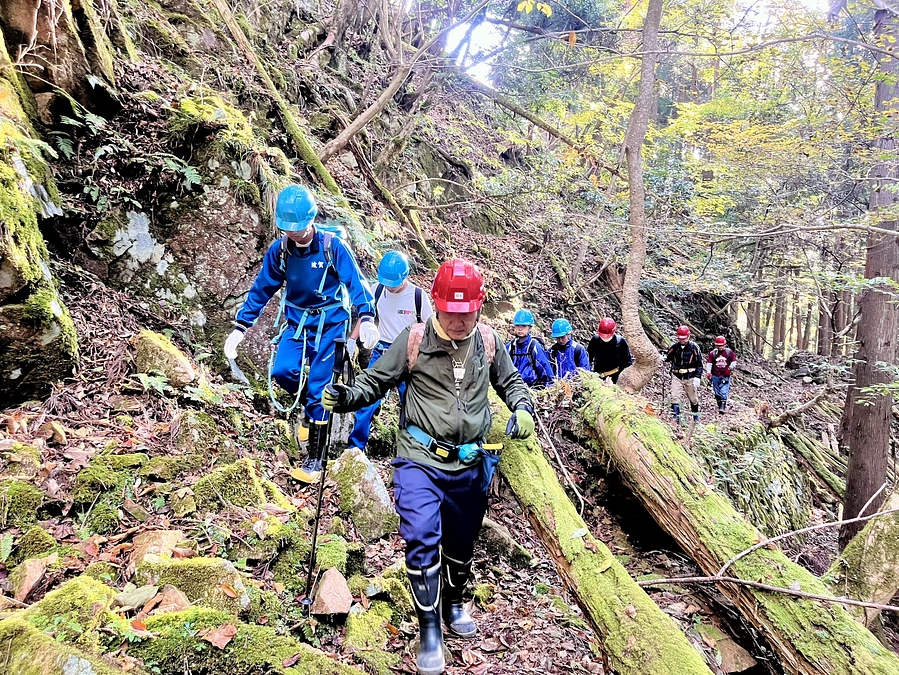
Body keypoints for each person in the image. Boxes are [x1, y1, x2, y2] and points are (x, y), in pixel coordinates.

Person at [322, 258, 534, 675]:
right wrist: (346, 396)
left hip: (472, 461)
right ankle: (430, 629)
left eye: (467, 313)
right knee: (421, 537)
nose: (459, 321)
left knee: (461, 544)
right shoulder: (414, 339)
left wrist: (522, 407)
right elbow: (375, 381)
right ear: (436, 305)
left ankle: (455, 601)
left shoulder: (488, 342)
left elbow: (511, 382)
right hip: (420, 459)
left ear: (480, 307)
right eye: (451, 313)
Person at [223, 184, 379, 483]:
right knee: (283, 371)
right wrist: (241, 326)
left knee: (322, 388)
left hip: (331, 324)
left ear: (311, 219)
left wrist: (367, 317)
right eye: (287, 228)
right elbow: (261, 289)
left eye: (298, 227)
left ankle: (315, 461)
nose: (293, 233)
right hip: (296, 324)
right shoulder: (280, 251)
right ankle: (311, 407)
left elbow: (357, 283)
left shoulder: (333, 247)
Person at [346, 250, 433, 452]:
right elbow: (365, 315)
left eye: (393, 283)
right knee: (366, 399)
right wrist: (352, 339)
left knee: (410, 405)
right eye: (387, 283)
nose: (390, 287)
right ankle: (355, 448)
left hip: (408, 355)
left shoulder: (418, 297)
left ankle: (409, 451)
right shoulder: (377, 290)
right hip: (381, 353)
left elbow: (430, 329)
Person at [664, 326, 703, 428]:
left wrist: (698, 377)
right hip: (677, 375)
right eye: (680, 338)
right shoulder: (674, 347)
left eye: (684, 338)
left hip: (690, 376)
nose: (682, 340)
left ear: (688, 336)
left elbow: (699, 364)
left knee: (693, 399)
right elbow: (667, 357)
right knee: (675, 396)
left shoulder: (694, 348)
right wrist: (662, 357)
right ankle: (675, 419)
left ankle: (696, 418)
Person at [505, 309, 554, 388]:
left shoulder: (535, 347)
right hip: (513, 387)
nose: (520, 329)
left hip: (532, 388)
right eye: (517, 326)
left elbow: (546, 372)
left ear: (529, 328)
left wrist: (549, 388)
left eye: (524, 326)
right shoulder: (510, 347)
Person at [587, 318, 633, 384]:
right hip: (598, 375)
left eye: (607, 336)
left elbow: (627, 363)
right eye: (603, 336)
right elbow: (588, 358)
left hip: (616, 377)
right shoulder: (595, 340)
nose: (605, 338)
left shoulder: (620, 342)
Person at [705, 335, 737, 414]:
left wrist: (730, 368)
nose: (720, 347)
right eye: (718, 346)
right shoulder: (713, 353)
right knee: (717, 392)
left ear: (725, 345)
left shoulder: (729, 352)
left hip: (725, 375)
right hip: (715, 375)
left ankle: (722, 407)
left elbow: (734, 361)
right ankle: (719, 404)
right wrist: (708, 372)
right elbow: (709, 363)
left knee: (724, 391)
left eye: (722, 345)